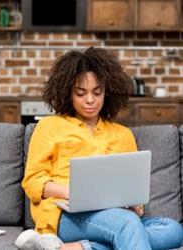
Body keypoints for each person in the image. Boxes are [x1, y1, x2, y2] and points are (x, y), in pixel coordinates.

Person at [15, 47, 183, 250]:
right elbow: (33, 181)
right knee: (127, 224)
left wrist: (133, 203)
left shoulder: (122, 134)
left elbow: (129, 183)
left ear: (107, 92)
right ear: (68, 93)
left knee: (172, 229)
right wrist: (71, 192)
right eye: (80, 93)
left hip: (113, 214)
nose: (89, 100)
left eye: (97, 92)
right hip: (65, 215)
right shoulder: (48, 127)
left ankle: (80, 247)